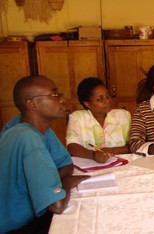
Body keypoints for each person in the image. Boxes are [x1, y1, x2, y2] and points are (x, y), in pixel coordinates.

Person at [0, 76, 89, 233]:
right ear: (32, 104)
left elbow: (66, 163)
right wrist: (66, 182)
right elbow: (57, 205)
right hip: (16, 226)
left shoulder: (21, 127)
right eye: (55, 95)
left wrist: (53, 184)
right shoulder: (29, 139)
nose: (63, 99)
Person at [66, 77, 131, 163]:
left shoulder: (123, 115)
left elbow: (134, 144)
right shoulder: (77, 118)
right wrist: (93, 155)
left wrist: (113, 150)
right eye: (100, 99)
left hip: (122, 164)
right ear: (87, 104)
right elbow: (72, 146)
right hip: (91, 166)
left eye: (108, 96)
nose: (107, 101)